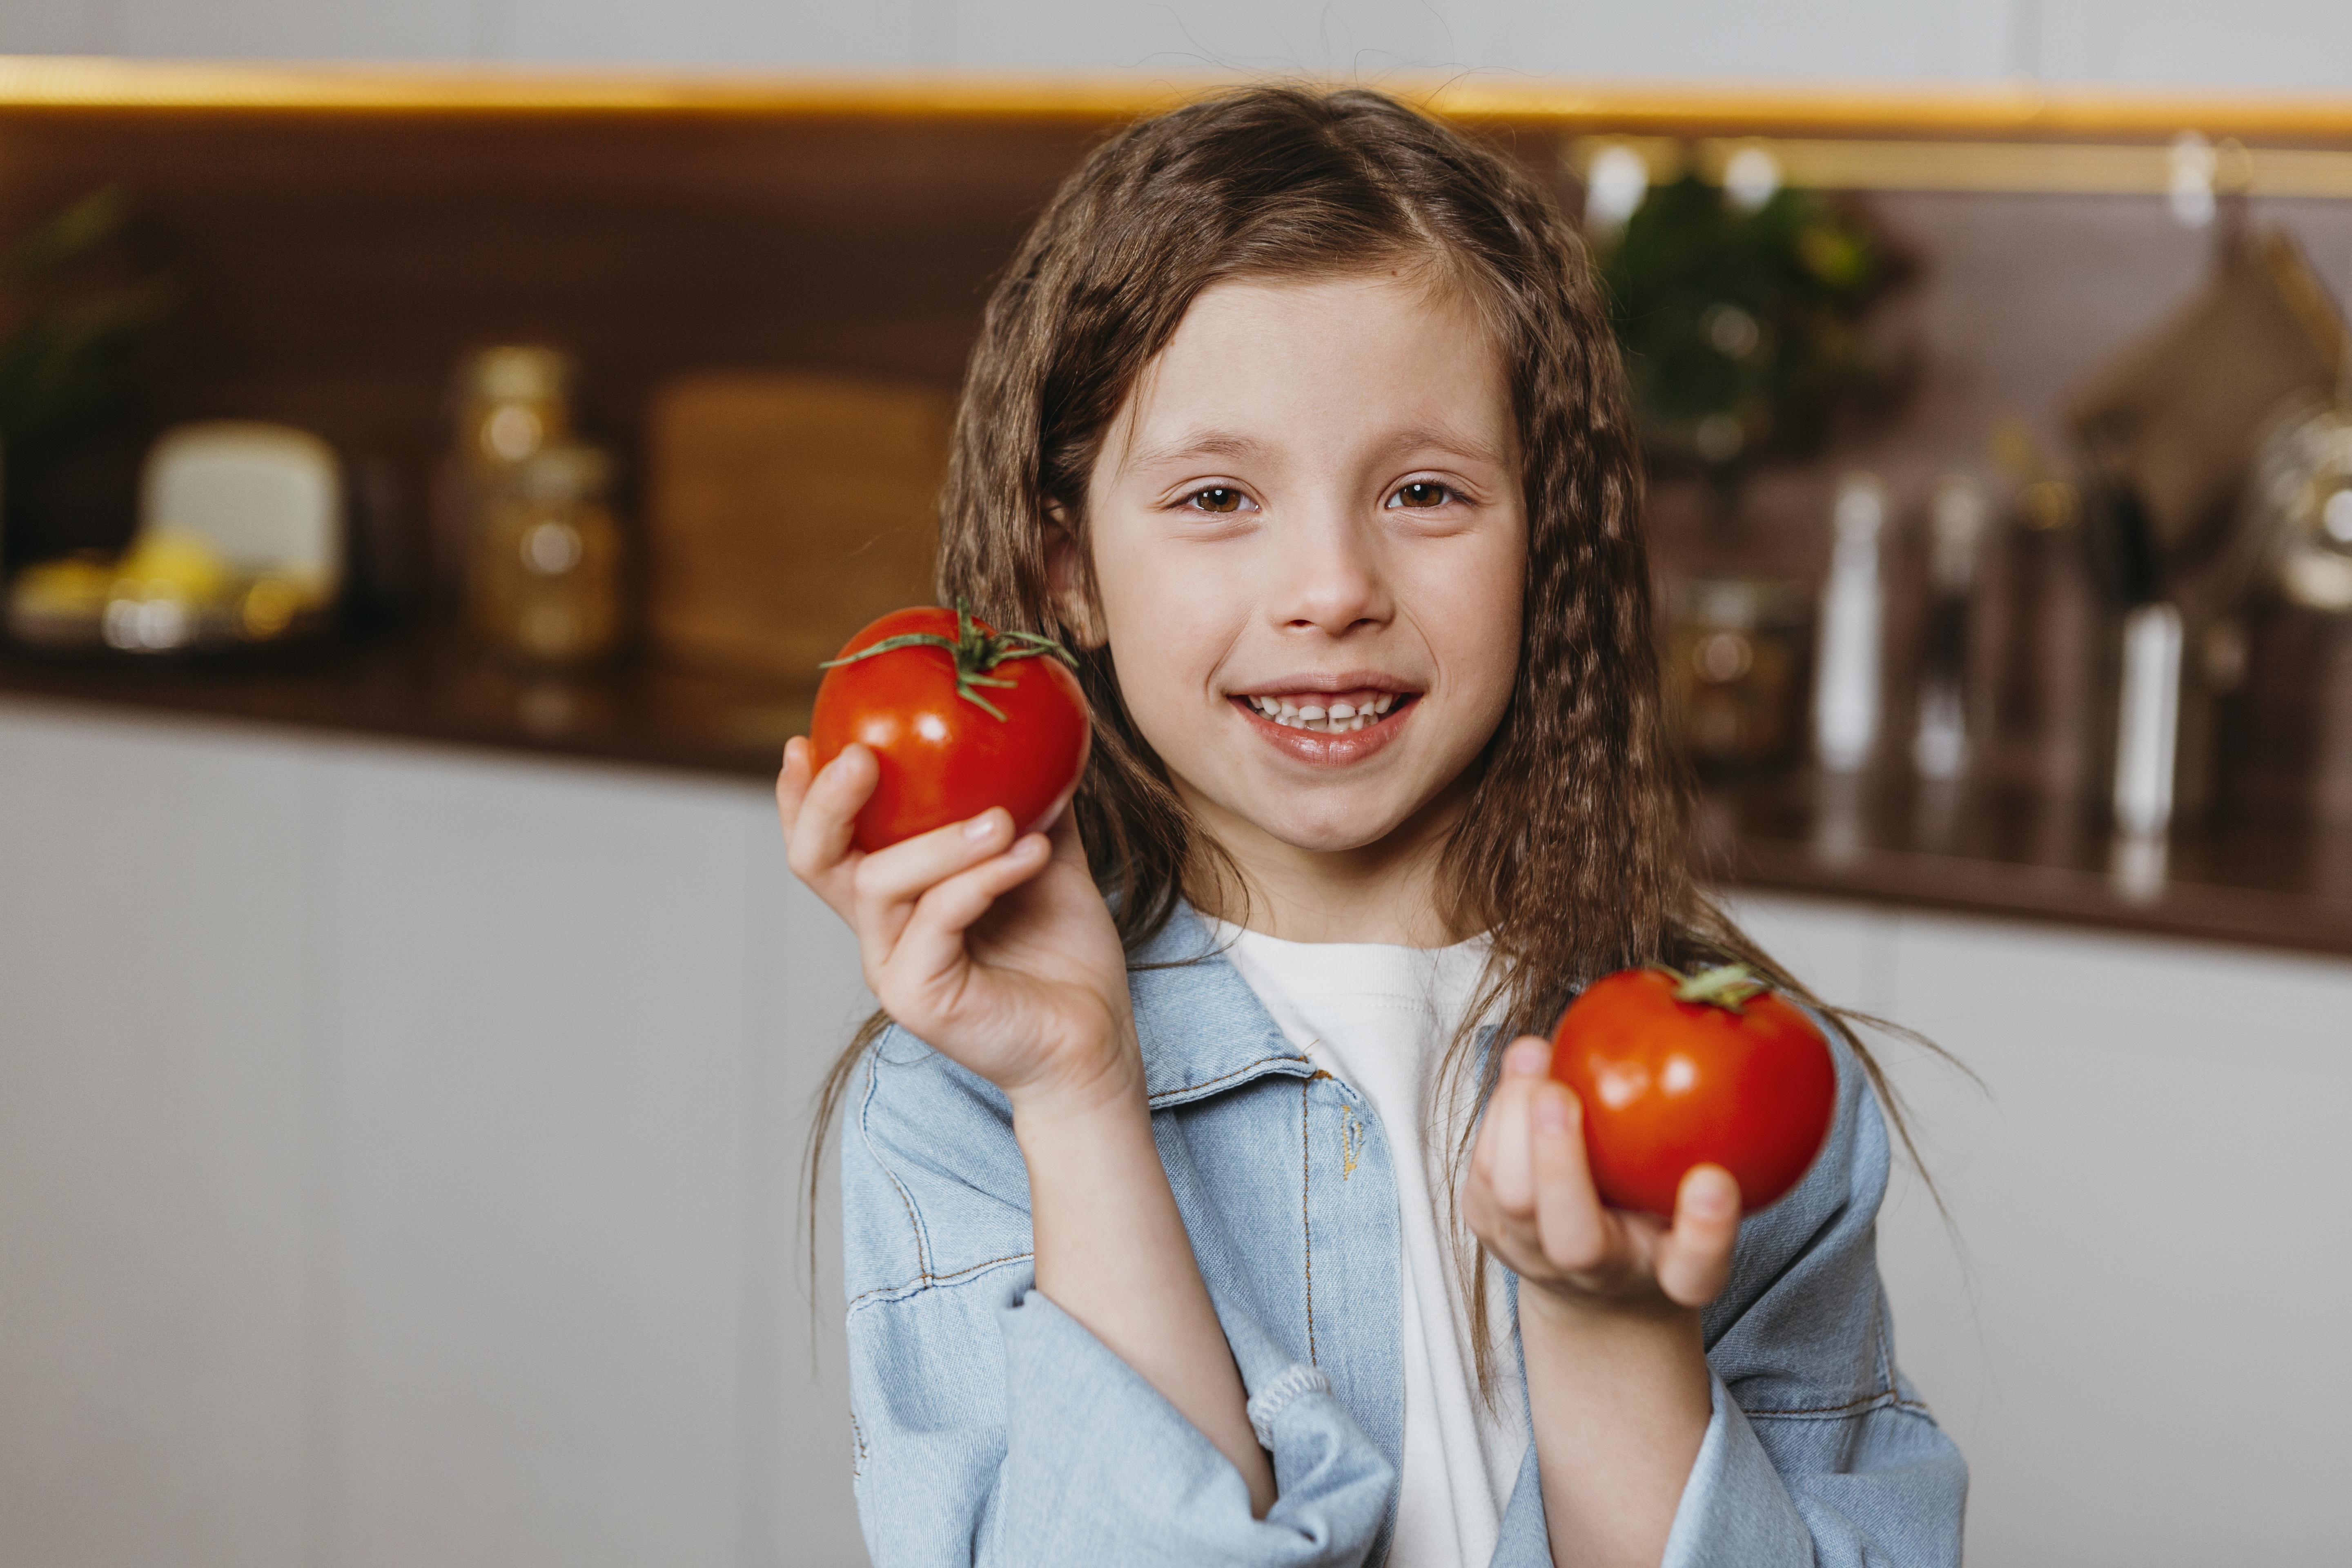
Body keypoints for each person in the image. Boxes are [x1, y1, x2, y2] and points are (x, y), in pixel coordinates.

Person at [777, 84, 1964, 1568]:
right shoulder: (960, 1105)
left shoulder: (1753, 1089)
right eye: (1217, 496)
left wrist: (1613, 1330)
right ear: (1065, 567)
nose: (1331, 585)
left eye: (1422, 491)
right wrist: (1080, 1094)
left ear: (1548, 536)